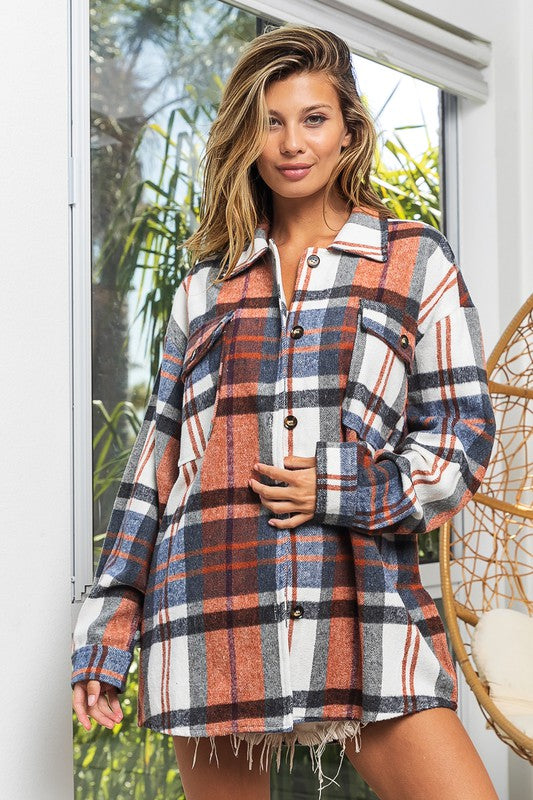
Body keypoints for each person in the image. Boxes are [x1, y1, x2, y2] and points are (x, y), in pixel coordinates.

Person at [71, 23, 499, 800]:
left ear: (347, 132)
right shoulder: (206, 287)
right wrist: (108, 635)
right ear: (247, 134)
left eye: (312, 119)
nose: (290, 143)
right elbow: (155, 470)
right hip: (210, 605)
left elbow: (463, 436)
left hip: (357, 605)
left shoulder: (412, 260)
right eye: (271, 121)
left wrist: (340, 488)